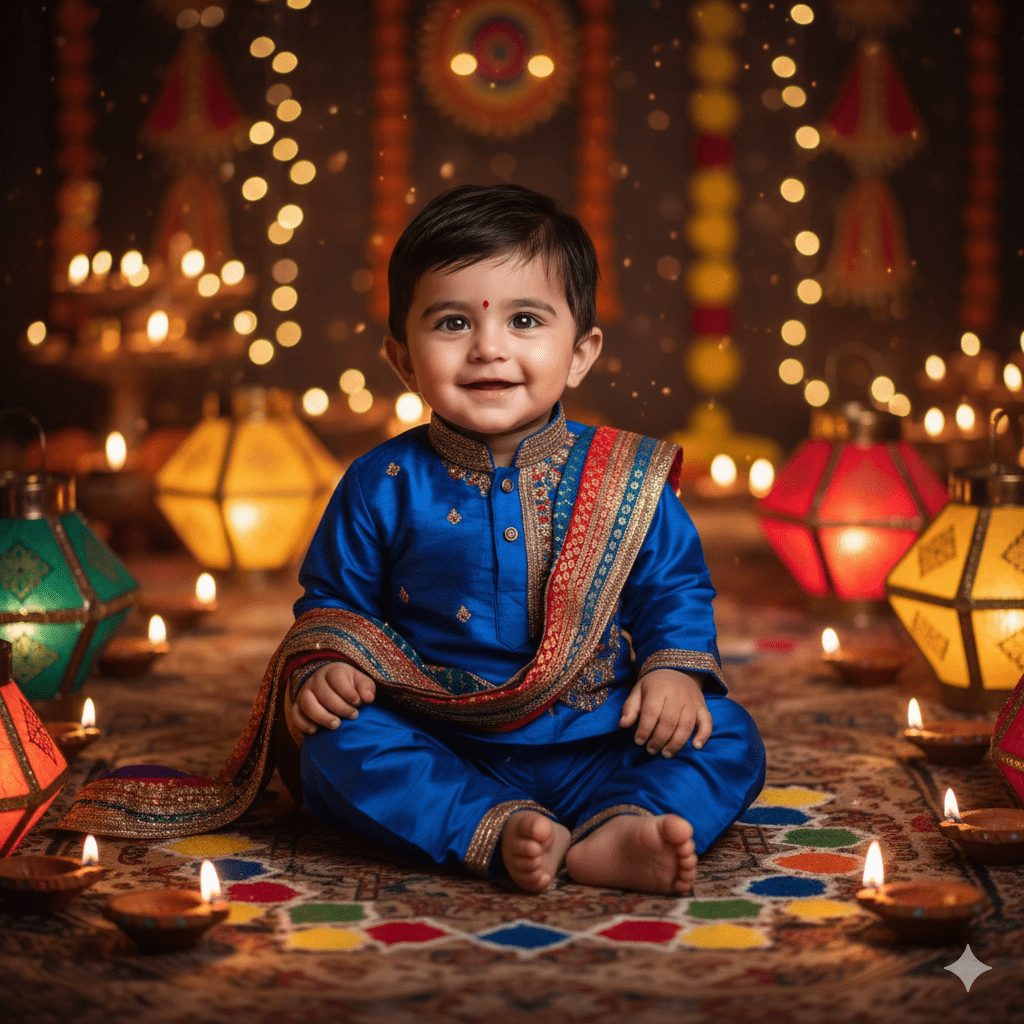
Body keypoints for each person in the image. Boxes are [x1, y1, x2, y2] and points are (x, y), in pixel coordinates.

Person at [283, 183, 765, 895]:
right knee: (332, 747)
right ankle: (499, 829)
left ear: (579, 352)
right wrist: (328, 667)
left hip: (597, 733)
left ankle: (622, 827)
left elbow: (674, 586)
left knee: (727, 735)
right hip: (439, 740)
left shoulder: (625, 476)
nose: (488, 348)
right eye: (451, 323)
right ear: (403, 360)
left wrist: (672, 672)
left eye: (526, 320)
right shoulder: (380, 481)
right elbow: (334, 602)